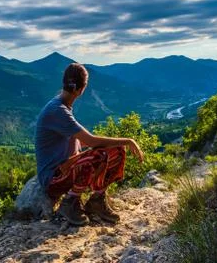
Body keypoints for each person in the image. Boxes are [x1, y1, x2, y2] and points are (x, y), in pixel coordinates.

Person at [35, 62, 144, 226]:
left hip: (65, 169)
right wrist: (129, 140)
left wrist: (116, 145)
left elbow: (81, 143)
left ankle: (96, 201)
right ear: (82, 89)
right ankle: (70, 202)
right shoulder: (58, 111)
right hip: (53, 179)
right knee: (100, 155)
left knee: (117, 150)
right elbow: (91, 141)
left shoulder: (61, 106)